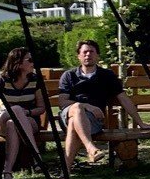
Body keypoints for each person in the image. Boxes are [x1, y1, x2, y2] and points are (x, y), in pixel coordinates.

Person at [56, 40, 143, 168]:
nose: (88, 55)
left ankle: (66, 173)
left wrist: (140, 122)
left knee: (75, 123)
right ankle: (90, 147)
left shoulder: (107, 75)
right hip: (67, 116)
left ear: (97, 55)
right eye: (84, 52)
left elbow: (123, 98)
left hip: (92, 121)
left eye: (91, 52)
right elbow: (62, 102)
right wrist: (86, 105)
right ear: (78, 56)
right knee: (77, 108)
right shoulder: (69, 76)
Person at [0, 47, 46, 179]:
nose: (33, 62)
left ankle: (7, 172)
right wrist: (3, 108)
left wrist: (26, 112)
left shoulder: (35, 80)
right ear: (18, 62)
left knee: (13, 123)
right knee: (15, 110)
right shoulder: (3, 80)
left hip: (29, 121)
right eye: (29, 60)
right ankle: (36, 156)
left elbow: (41, 108)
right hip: (2, 120)